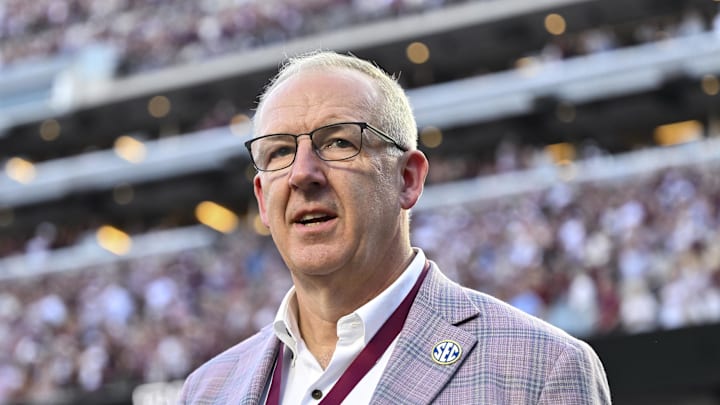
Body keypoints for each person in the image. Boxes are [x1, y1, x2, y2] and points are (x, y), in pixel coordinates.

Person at [179, 50, 611, 404]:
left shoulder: (539, 369)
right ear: (262, 200)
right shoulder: (206, 391)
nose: (301, 174)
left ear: (407, 179)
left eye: (339, 142)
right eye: (278, 153)